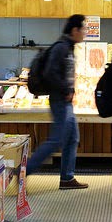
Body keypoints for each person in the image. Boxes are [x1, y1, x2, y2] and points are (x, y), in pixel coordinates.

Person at [25, 15, 89, 189]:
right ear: (75, 30)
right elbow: (50, 74)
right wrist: (66, 90)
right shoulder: (61, 48)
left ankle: (67, 179)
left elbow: (63, 75)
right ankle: (23, 172)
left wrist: (70, 89)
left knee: (72, 138)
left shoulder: (68, 47)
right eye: (83, 29)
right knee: (56, 140)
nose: (84, 33)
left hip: (65, 101)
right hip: (60, 101)